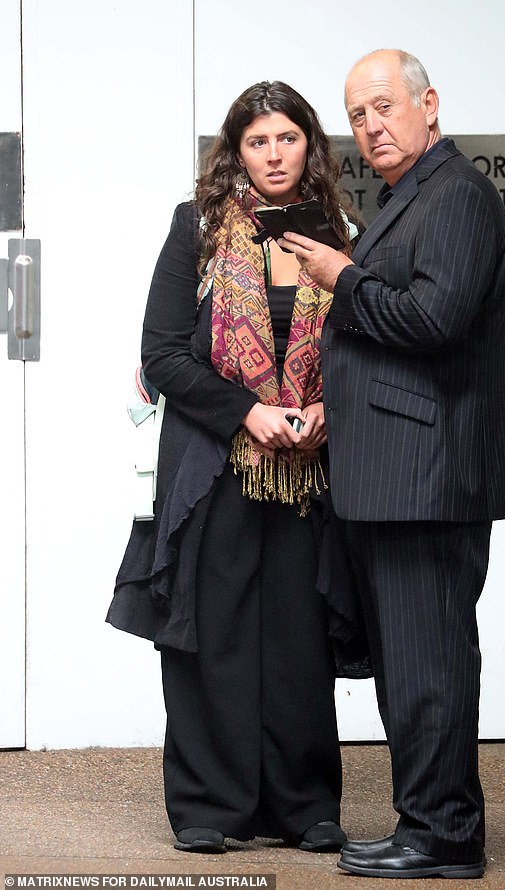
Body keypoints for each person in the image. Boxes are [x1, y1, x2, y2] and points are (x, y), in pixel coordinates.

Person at [279, 49, 505, 880]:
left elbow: (435, 320)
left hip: (429, 474)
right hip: (396, 472)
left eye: (383, 106)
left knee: (430, 665)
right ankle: (426, 821)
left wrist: (342, 276)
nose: (370, 127)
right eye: (356, 115)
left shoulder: (456, 195)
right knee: (412, 666)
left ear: (429, 104)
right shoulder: (411, 196)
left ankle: (446, 835)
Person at [106, 80, 363, 855]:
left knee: (298, 636)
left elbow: (368, 341)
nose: (274, 154)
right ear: (236, 151)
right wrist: (245, 411)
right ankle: (209, 807)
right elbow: (163, 353)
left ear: (309, 147)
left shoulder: (344, 231)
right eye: (258, 141)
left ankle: (304, 806)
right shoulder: (198, 227)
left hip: (310, 471)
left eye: (288, 138)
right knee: (211, 635)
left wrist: (330, 409)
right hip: (217, 466)